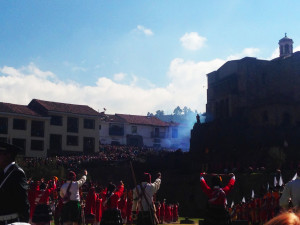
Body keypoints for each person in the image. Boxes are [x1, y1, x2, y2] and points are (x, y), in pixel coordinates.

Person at [0, 141, 29, 225]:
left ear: (8, 155)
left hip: (11, 221)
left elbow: (23, 201)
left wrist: (23, 222)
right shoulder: (3, 173)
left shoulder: (17, 173)